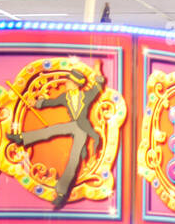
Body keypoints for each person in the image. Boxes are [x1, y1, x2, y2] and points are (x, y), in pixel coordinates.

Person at [7, 68, 106, 208]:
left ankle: (61, 193)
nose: (66, 83)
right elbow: (50, 102)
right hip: (73, 125)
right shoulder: (65, 97)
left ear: (75, 84)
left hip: (82, 130)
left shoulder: (86, 96)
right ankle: (22, 138)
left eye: (69, 82)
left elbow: (97, 87)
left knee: (73, 160)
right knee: (50, 130)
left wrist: (98, 71)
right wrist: (35, 103)